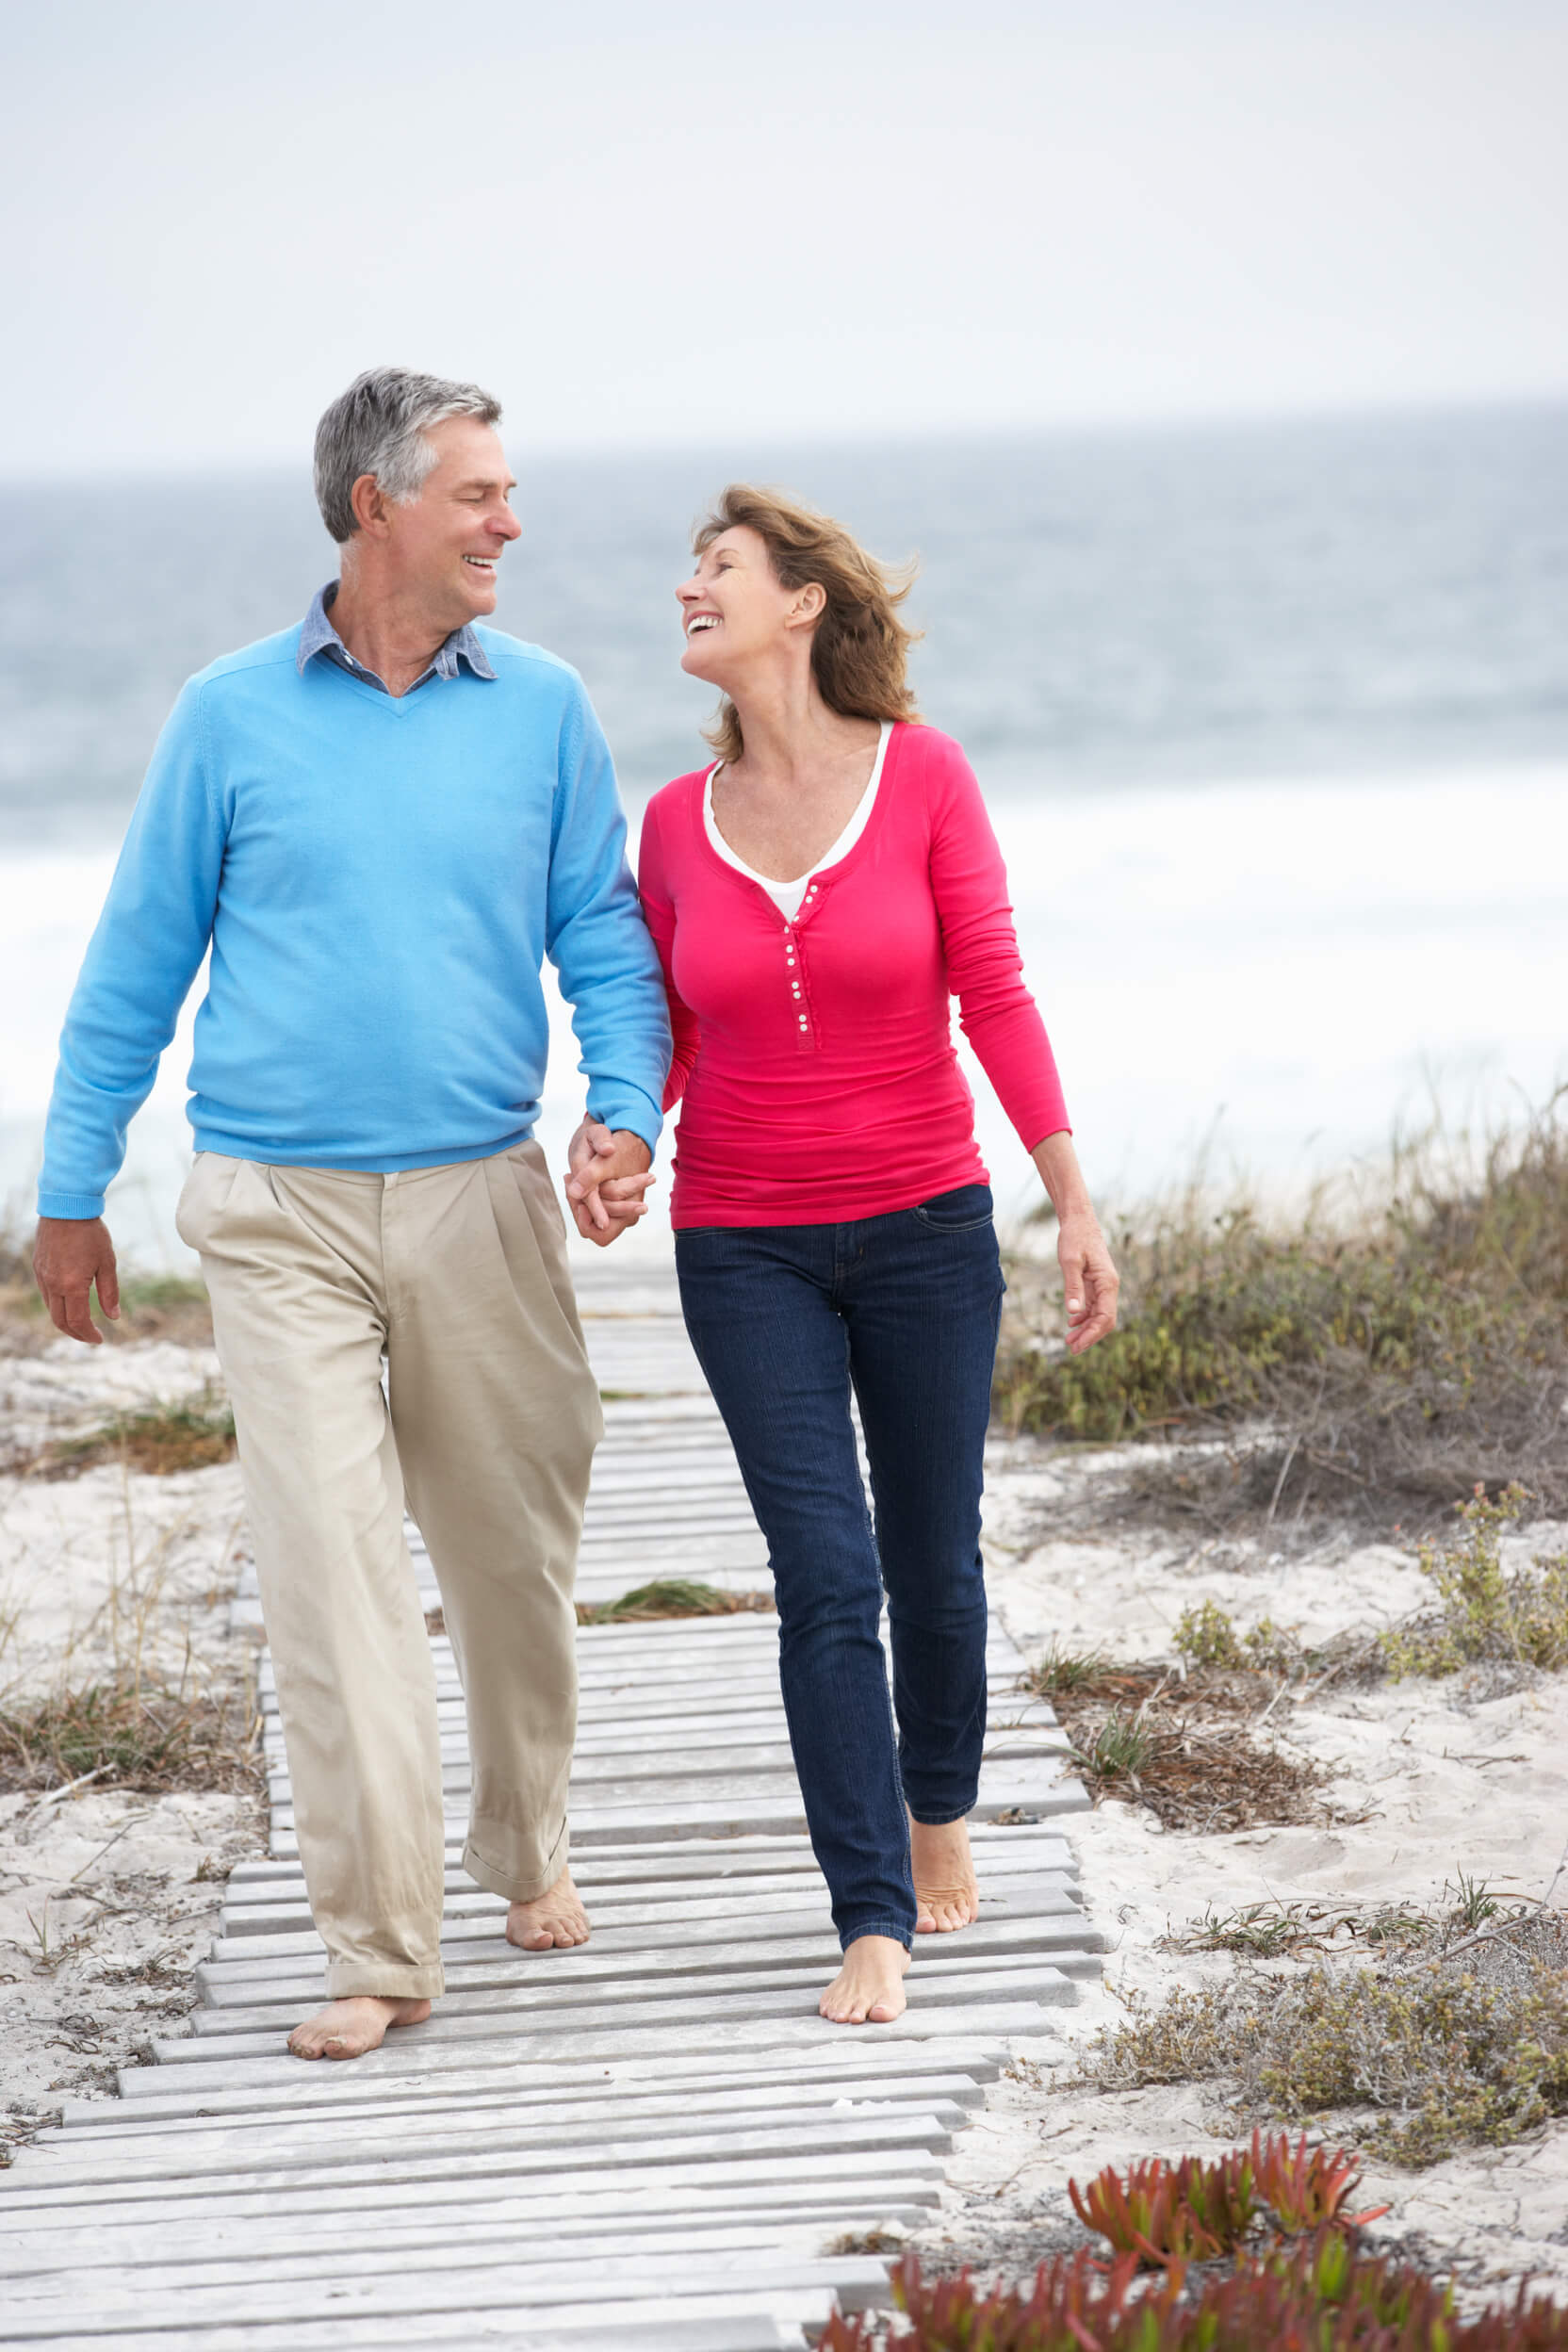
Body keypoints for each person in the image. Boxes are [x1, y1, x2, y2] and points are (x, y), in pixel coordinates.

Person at [32, 368, 670, 2061]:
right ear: (378, 505)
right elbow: (135, 965)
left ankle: (527, 1840)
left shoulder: (539, 706)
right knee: (334, 1585)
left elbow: (601, 934)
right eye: (479, 495)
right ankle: (381, 1944)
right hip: (271, 1207)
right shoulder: (226, 715)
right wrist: (70, 1187)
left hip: (481, 1194)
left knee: (510, 1562)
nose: (509, 524)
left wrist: (623, 1104)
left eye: (508, 493)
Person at [624, 485, 1119, 2025]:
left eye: (719, 569)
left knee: (932, 1561)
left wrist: (1072, 1194)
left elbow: (998, 990)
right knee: (825, 1575)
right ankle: (871, 1916)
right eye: (690, 569)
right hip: (744, 1242)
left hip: (925, 1231)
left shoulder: (926, 778)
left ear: (801, 606)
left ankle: (941, 1805)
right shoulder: (670, 823)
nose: (689, 588)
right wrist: (622, 1126)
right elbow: (671, 1023)